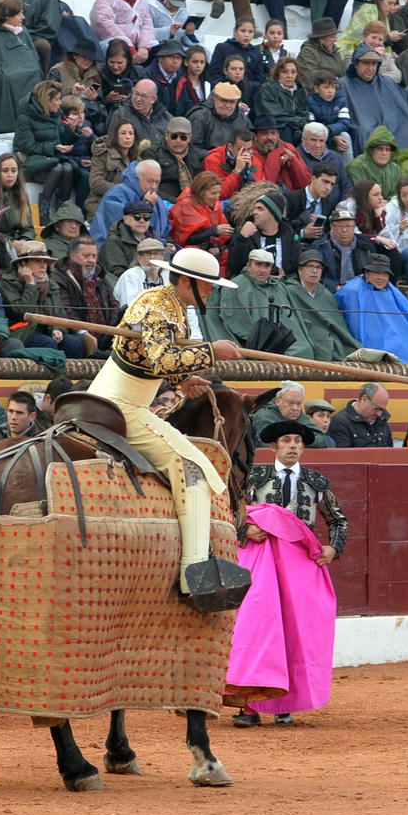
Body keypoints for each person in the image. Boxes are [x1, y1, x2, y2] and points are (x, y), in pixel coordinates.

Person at [84, 246, 250, 610]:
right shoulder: (158, 305)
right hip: (122, 407)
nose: (211, 292)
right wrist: (211, 351)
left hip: (120, 400)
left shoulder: (172, 306)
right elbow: (161, 358)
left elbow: (151, 360)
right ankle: (195, 573)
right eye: (207, 285)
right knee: (193, 466)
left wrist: (183, 380)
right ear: (187, 281)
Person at [227, 418, 345, 726]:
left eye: (297, 441)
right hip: (261, 559)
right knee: (256, 628)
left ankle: (284, 704)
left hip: (298, 565)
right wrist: (244, 530)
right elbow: (229, 512)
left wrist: (333, 548)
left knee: (294, 632)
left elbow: (338, 520)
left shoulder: (317, 482)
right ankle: (249, 707)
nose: (292, 445)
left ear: (303, 447)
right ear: (273, 447)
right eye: (286, 441)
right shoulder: (254, 477)